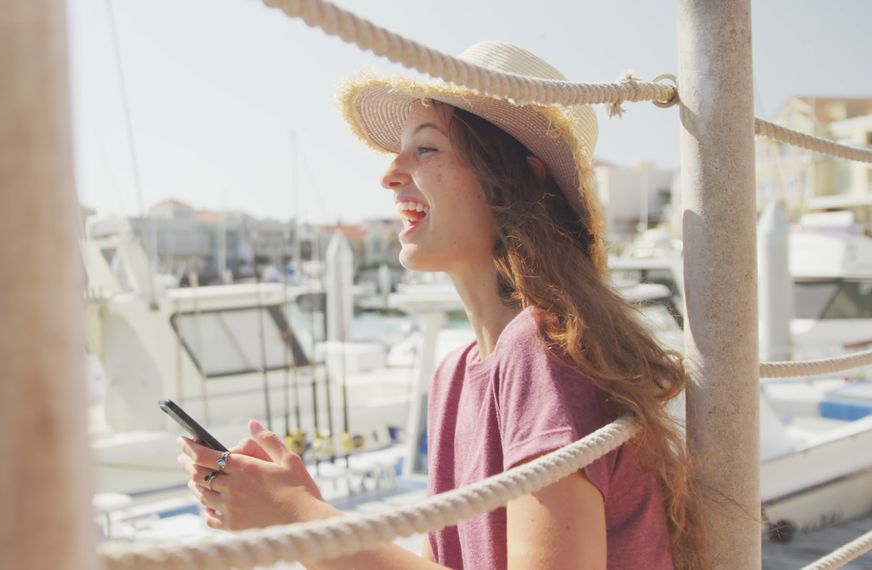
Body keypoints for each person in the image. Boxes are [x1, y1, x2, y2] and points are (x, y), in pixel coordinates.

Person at [177, 42, 707, 569]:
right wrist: (302, 509)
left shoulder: (543, 349)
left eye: (425, 149)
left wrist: (299, 519)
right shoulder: (458, 373)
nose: (389, 174)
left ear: (523, 179)